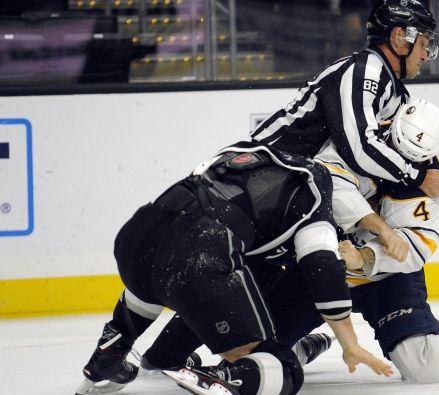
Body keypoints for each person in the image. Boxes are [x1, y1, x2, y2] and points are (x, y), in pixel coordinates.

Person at [139, 99, 439, 386]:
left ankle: (437, 336)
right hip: (324, 266)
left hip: (385, 279)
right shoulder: (361, 138)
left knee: (425, 368)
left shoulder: (436, 179)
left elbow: (417, 245)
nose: (401, 166)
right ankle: (303, 346)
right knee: (259, 353)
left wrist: (367, 256)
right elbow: (329, 184)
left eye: (412, 160)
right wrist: (379, 229)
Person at [75, 141, 392, 395]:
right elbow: (323, 268)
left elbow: (182, 227)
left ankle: (109, 355)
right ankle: (227, 377)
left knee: (159, 274)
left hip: (138, 234)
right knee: (283, 369)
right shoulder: (315, 189)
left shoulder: (247, 151)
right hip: (199, 250)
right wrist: (351, 345)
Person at [251, 0, 439, 201]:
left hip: (299, 180)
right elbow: (361, 148)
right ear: (399, 38)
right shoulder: (362, 72)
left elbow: (405, 153)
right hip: (265, 172)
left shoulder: (397, 93)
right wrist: (419, 178)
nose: (425, 55)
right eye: (422, 44)